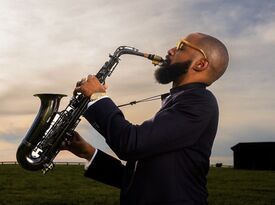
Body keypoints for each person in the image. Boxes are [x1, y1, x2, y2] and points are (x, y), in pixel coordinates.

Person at [63, 32, 229, 205]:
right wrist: (86, 151)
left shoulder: (198, 102)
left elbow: (131, 144)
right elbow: (140, 181)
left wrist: (97, 97)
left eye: (181, 47)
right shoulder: (181, 101)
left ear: (201, 64)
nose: (170, 50)